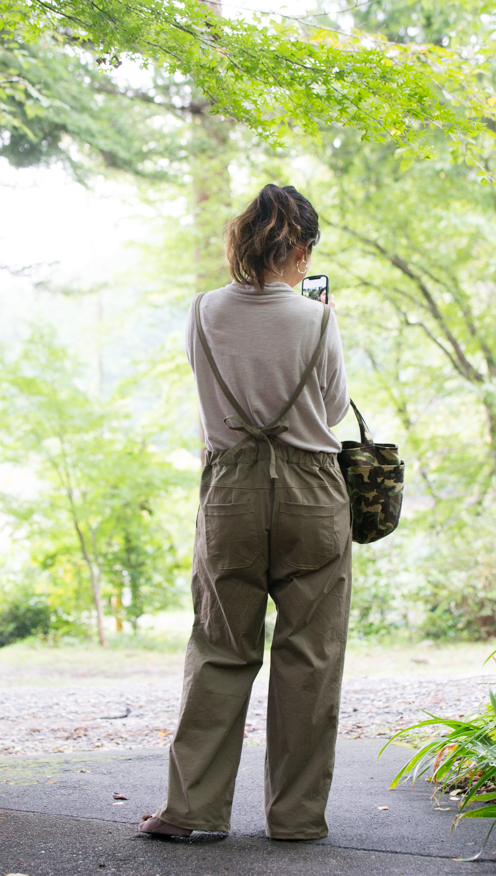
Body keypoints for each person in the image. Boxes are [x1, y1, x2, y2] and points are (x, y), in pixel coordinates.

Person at [140, 183, 352, 841]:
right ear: (304, 249)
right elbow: (336, 407)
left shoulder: (203, 312)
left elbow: (208, 390)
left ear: (243, 242)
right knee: (309, 656)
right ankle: (294, 818)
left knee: (221, 646)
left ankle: (194, 811)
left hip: (229, 490)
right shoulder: (318, 319)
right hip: (313, 492)